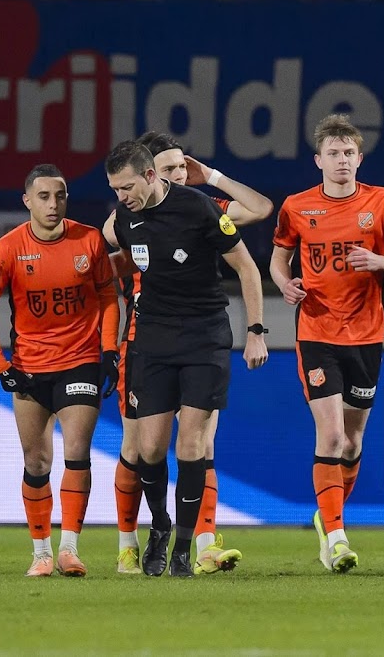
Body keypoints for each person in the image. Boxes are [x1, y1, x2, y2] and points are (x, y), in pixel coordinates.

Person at [271, 114, 384, 573]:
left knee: (354, 441)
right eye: (333, 154)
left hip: (367, 335)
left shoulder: (382, 203)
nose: (341, 161)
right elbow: (277, 260)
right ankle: (338, 536)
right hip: (317, 332)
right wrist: (284, 284)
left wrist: (379, 260)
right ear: (318, 160)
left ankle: (327, 520)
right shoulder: (297, 207)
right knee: (333, 434)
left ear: (360, 159)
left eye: (348, 154)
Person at [109, 131, 273, 576]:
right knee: (148, 448)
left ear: (149, 176)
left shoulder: (200, 207)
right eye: (115, 191)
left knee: (193, 443)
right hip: (152, 341)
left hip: (204, 338)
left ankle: (185, 547)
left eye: (127, 188)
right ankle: (158, 526)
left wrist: (255, 332)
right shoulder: (124, 219)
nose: (122, 198)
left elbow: (246, 267)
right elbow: (112, 255)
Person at [0, 164, 120, 577]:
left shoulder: (88, 240)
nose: (54, 204)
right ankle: (41, 553)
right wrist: (1, 366)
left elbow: (108, 296)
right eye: (45, 197)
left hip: (80, 361)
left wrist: (108, 351)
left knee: (76, 453)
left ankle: (69, 549)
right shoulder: (7, 248)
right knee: (36, 463)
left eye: (61, 195)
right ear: (27, 201)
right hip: (31, 369)